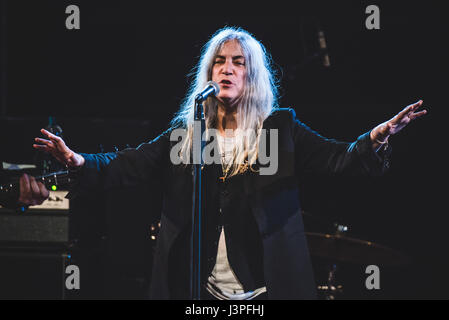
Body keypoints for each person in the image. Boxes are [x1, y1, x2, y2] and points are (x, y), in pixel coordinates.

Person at [32, 27, 427, 300]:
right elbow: (126, 164)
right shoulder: (189, 136)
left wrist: (376, 137)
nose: (227, 68)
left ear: (251, 75)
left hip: (264, 288)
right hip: (197, 291)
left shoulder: (278, 131)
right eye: (220, 61)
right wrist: (78, 159)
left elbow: (340, 159)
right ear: (209, 72)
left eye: (238, 62)